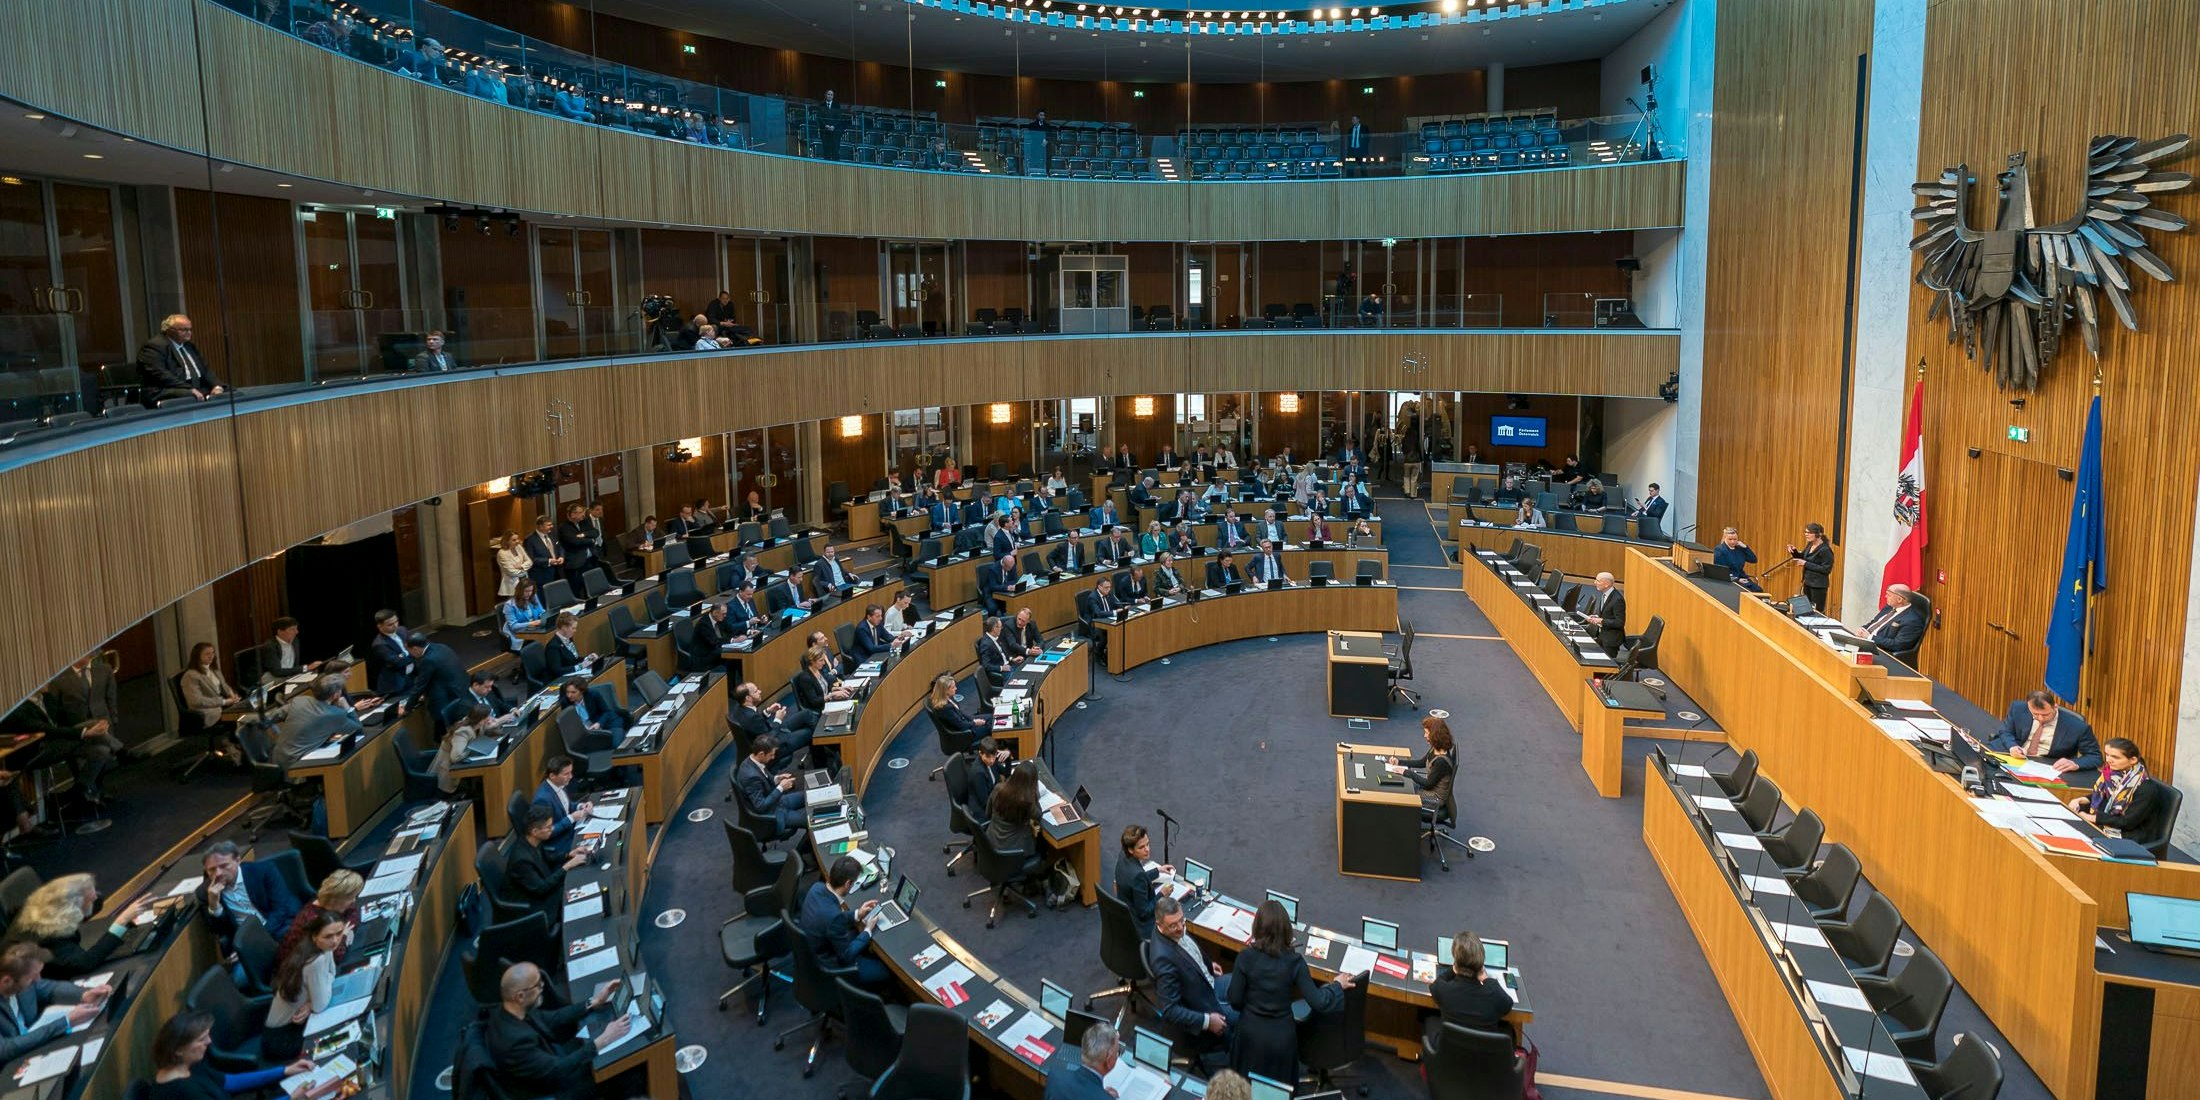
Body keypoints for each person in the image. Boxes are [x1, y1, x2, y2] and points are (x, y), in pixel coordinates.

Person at [1226, 900, 1352, 1080]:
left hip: (1249, 1036)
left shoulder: (1245, 957)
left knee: (1245, 1088)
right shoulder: (1295, 962)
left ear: (1257, 927)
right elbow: (1319, 1001)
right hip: (1281, 1039)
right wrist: (1337, 985)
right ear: (1286, 929)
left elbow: (1235, 1000)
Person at [483, 963, 630, 1100]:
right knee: (623, 1072)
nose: (542, 987)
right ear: (520, 996)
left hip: (548, 1057)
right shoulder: (515, 1043)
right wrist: (603, 1040)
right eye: (537, 985)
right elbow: (557, 1071)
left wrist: (593, 1002)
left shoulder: (510, 1009)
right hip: (553, 1089)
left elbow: (555, 1018)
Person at [140, 1009, 315, 1099]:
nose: (209, 1042)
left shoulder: (185, 1066)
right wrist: (290, 1098)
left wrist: (284, 1070)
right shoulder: (185, 1092)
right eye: (202, 1039)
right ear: (179, 1049)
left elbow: (229, 1082)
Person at [7, 874, 147, 979]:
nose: (96, 898)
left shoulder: (45, 903)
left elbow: (96, 901)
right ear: (72, 909)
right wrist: (121, 922)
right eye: (90, 900)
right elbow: (85, 963)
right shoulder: (50, 936)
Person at [1152, 894, 1235, 1057]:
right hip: (1204, 1006)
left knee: (1246, 983)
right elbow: (1170, 1010)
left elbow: (1188, 947)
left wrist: (1207, 963)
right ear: (1159, 925)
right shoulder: (1162, 960)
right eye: (1173, 925)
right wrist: (1207, 1021)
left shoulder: (1171, 930)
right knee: (1249, 1016)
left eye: (1182, 921)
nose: (1181, 928)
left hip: (1207, 982)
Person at [195, 841, 306, 962]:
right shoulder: (205, 892)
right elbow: (220, 931)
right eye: (211, 870)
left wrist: (255, 941)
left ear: (238, 860)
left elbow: (281, 910)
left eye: (224, 866)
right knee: (239, 978)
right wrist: (214, 905)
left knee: (297, 960)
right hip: (246, 942)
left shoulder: (264, 871)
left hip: (280, 927)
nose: (218, 873)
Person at [798, 855, 893, 989]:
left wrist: (857, 914)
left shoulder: (816, 888)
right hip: (829, 967)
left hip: (812, 953)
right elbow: (846, 956)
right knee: (885, 972)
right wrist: (867, 931)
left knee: (856, 935)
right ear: (848, 884)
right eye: (854, 883)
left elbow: (833, 917)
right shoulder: (833, 918)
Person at [261, 912, 343, 1062]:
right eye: (328, 936)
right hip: (283, 1037)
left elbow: (332, 972)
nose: (335, 940)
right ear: (315, 937)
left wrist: (312, 1002)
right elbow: (321, 1005)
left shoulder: (321, 948)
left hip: (296, 1025)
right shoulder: (315, 961)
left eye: (339, 933)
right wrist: (314, 1003)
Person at [0, 943, 105, 1060]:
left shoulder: (23, 980)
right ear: (6, 981)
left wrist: (83, 994)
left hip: (36, 1046)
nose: (38, 980)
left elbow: (50, 988)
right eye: (32, 978)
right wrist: (66, 1022)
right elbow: (6, 1049)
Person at [983, 763, 1054, 904]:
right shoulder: (1026, 802)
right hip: (1013, 851)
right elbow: (1039, 815)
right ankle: (1043, 878)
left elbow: (987, 814)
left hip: (991, 843)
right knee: (1042, 842)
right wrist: (1034, 794)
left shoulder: (998, 789)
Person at [1428, 931, 1515, 1042]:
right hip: (1484, 1057)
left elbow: (1435, 984)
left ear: (1456, 961)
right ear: (1481, 964)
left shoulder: (1444, 989)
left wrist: (1453, 969)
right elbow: (1508, 1005)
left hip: (1449, 1055)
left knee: (1428, 1019)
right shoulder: (1492, 994)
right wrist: (1487, 980)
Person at [507, 805, 591, 915]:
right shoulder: (521, 860)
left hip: (542, 884)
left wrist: (569, 854)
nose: (552, 829)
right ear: (535, 831)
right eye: (548, 827)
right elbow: (541, 888)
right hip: (533, 904)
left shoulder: (533, 840)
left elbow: (547, 857)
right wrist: (567, 866)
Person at [2068, 739, 2161, 836]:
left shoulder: (2146, 788)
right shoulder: (2111, 776)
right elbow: (2102, 796)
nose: (2108, 760)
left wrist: (2091, 818)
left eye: (2115, 757)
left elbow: (2128, 822)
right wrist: (2080, 800)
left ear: (2133, 760)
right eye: (2107, 755)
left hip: (2129, 835)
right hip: (2106, 824)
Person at [276, 870, 361, 971]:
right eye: (351, 898)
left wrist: (342, 933)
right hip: (297, 973)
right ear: (337, 900)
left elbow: (354, 912)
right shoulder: (315, 920)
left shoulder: (327, 903)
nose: (354, 900)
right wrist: (344, 935)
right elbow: (336, 956)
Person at [271, 676, 362, 769]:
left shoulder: (300, 701)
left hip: (277, 758)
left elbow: (274, 716)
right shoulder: (335, 714)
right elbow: (358, 728)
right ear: (335, 695)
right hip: (296, 766)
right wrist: (347, 707)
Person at [136, 314, 225, 401]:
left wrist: (216, 386)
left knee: (229, 392)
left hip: (196, 386)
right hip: (168, 389)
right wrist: (188, 388)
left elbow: (205, 369)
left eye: (190, 329)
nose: (189, 333)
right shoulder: (155, 346)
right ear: (169, 330)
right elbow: (161, 375)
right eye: (184, 330)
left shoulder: (189, 346)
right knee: (190, 395)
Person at [1112, 824, 1175, 940]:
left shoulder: (1123, 856)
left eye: (1148, 844)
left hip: (1127, 915)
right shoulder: (1138, 876)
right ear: (1131, 850)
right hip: (1142, 927)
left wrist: (1157, 870)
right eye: (1141, 847)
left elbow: (1133, 879)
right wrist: (1162, 894)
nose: (1147, 850)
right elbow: (1144, 912)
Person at [1390, 715, 1457, 817]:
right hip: (1430, 790)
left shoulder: (1441, 761)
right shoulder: (1436, 748)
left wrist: (1406, 772)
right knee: (1403, 787)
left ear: (1435, 735)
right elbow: (1422, 762)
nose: (1424, 736)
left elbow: (1428, 784)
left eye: (1426, 733)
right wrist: (1399, 762)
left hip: (1435, 798)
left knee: (1403, 797)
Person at [531, 755, 593, 858]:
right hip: (559, 844)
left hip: (569, 830)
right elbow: (547, 833)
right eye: (566, 774)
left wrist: (581, 806)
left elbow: (566, 806)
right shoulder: (542, 799)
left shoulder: (559, 784)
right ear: (552, 776)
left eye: (571, 772)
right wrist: (571, 818)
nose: (571, 776)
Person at [402, 632, 469, 721]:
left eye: (408, 651)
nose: (409, 654)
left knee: (443, 727)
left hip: (447, 699)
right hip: (461, 690)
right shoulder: (441, 646)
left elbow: (419, 686)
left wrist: (407, 709)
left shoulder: (428, 660)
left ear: (415, 649)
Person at [1044, 1021, 1120, 1100]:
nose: (1117, 1056)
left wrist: (1101, 1093)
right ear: (1108, 1059)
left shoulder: (1055, 1076)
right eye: (1118, 1051)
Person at [433, 704, 494, 794]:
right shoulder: (463, 731)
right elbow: (456, 757)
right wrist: (473, 749)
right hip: (449, 774)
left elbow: (484, 732)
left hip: (461, 768)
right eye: (488, 717)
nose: (490, 719)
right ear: (481, 719)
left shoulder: (475, 724)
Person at [1860, 583, 1927, 656]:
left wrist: (1870, 637)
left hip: (1880, 652)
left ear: (1899, 599)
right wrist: (1863, 629)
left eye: (1889, 595)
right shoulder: (1889, 607)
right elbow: (1875, 622)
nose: (1885, 596)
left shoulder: (1913, 621)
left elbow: (1897, 645)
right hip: (1865, 642)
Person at [1786, 523, 1835, 611]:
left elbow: (1826, 569)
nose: (1806, 534)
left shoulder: (1825, 550)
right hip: (1808, 582)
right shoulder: (1810, 544)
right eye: (1805, 532)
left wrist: (1805, 564)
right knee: (1806, 609)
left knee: (1816, 611)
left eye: (1809, 532)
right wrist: (1794, 552)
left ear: (1818, 534)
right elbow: (1802, 557)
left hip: (1818, 586)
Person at [1578, 572, 1627, 653]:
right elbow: (1608, 614)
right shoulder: (1605, 594)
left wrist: (1601, 621)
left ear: (1606, 584)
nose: (1595, 582)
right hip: (1602, 634)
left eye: (1598, 581)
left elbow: (1619, 623)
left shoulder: (1617, 600)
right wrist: (1597, 617)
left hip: (1611, 639)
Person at [500, 579, 547, 652]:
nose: (529, 594)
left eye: (531, 591)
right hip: (518, 634)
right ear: (519, 591)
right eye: (526, 591)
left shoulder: (533, 597)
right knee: (540, 645)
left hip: (534, 629)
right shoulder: (509, 605)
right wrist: (531, 623)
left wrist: (545, 616)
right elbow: (514, 626)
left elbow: (541, 611)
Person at [524, 516, 565, 589]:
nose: (551, 526)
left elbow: (560, 547)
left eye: (551, 524)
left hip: (558, 572)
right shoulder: (530, 540)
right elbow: (531, 559)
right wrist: (548, 561)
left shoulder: (553, 534)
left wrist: (561, 556)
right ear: (540, 526)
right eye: (549, 525)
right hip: (542, 576)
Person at [544, 612, 589, 679]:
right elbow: (557, 671)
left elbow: (573, 659)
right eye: (573, 628)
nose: (575, 631)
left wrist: (587, 659)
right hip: (560, 679)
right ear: (564, 627)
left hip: (572, 673)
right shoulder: (553, 647)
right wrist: (580, 666)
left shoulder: (568, 638)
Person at [977, 616, 1014, 691]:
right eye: (1000, 627)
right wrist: (1001, 668)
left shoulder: (995, 637)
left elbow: (1002, 653)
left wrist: (1012, 659)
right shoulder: (986, 644)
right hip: (1002, 670)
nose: (1001, 628)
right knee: (1016, 685)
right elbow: (986, 665)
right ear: (994, 628)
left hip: (1008, 664)